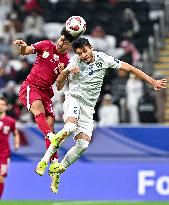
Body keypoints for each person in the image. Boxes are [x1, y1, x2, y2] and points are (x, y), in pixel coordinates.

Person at [37, 37, 167, 192]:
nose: (83, 55)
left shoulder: (103, 59)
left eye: (84, 51)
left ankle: (58, 169)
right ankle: (44, 160)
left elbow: (130, 69)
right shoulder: (74, 62)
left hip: (89, 107)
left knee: (83, 145)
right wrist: (66, 71)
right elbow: (59, 86)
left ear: (90, 47)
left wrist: (152, 81)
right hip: (74, 99)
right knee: (70, 127)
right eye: (79, 53)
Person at [12, 25, 80, 193]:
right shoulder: (45, 45)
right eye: (61, 39)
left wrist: (63, 74)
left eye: (65, 43)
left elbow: (60, 86)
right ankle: (52, 137)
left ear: (69, 47)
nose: (61, 43)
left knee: (50, 123)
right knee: (38, 112)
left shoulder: (65, 62)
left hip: (46, 92)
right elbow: (26, 51)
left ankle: (54, 161)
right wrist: (22, 46)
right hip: (31, 86)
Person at [0, 97, 20, 199]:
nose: (0, 106)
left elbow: (16, 133)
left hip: (3, 154)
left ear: (6, 107)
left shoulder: (10, 121)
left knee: (1, 178)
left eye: (2, 104)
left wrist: (16, 143)